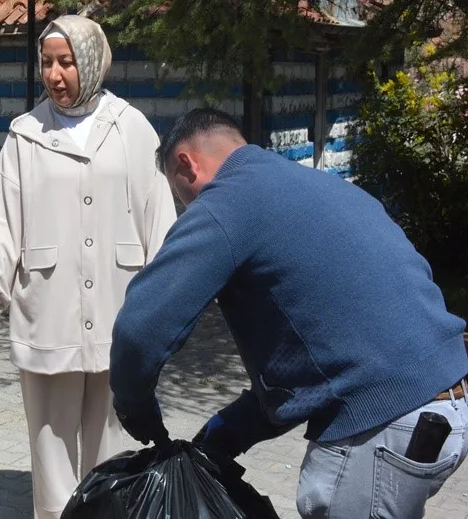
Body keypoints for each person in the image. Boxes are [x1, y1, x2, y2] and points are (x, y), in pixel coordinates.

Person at [109, 107, 468, 518]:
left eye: (179, 195)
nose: (187, 206)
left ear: (186, 165)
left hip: (384, 428)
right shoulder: (321, 187)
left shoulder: (227, 200)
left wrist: (136, 409)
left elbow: (142, 328)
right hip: (448, 404)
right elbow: (315, 355)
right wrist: (230, 431)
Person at [0, 15, 177, 519]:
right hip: (48, 311)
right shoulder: (25, 135)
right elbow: (1, 221)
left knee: (114, 449)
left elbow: (161, 220)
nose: (54, 75)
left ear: (90, 62)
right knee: (52, 452)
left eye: (65, 63)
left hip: (118, 311)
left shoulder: (131, 127)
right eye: (47, 63)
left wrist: (167, 306)